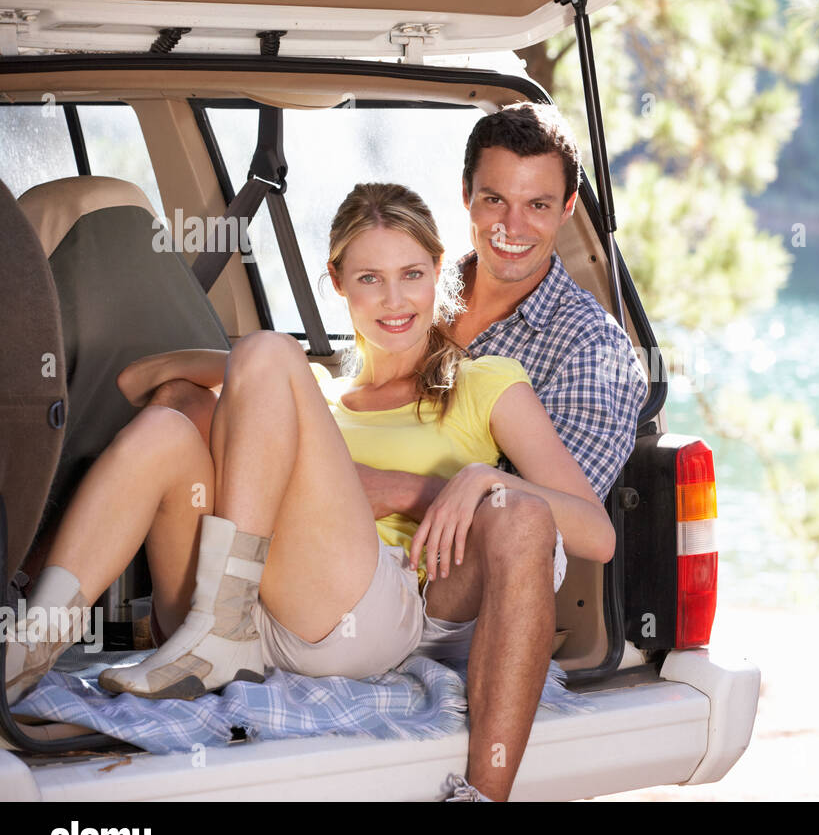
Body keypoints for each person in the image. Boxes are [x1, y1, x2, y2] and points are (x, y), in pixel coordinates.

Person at [4, 182, 614, 802]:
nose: (395, 299)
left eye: (411, 274)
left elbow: (596, 533)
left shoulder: (483, 384)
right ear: (337, 283)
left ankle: (225, 629)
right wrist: (255, 367)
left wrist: (472, 479)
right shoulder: (309, 392)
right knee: (170, 423)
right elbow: (142, 380)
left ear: (439, 273)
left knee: (270, 352)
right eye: (369, 278)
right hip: (231, 614)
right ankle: (31, 644)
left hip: (358, 613)